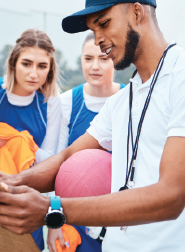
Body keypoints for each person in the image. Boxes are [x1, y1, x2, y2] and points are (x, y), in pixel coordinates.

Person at [0, 0, 185, 252]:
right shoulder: (123, 98)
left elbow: (172, 196)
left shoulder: (182, 78)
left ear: (137, 12)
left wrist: (52, 209)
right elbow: (68, 157)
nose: (98, 39)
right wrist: (11, 182)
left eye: (103, 24)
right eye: (93, 29)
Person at [0, 29, 61, 251]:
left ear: (50, 69)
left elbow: (53, 163)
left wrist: (18, 141)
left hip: (28, 205)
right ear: (14, 63)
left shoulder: (50, 103)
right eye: (26, 64)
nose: (33, 73)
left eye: (42, 66)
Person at [47, 32, 125, 252]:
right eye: (88, 58)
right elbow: (56, 166)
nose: (95, 66)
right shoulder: (67, 102)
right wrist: (55, 219)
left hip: (121, 215)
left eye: (103, 58)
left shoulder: (129, 100)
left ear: (114, 59)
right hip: (77, 216)